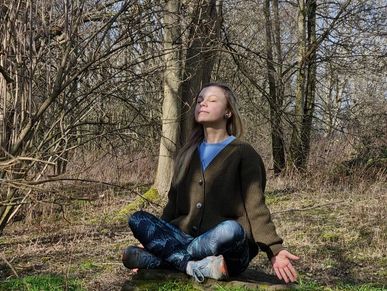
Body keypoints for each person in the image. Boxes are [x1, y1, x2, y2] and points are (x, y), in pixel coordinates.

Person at [122, 83, 299, 283]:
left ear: (228, 112)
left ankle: (169, 258)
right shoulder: (186, 154)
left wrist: (275, 250)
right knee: (137, 218)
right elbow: (172, 207)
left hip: (228, 248)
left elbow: (255, 206)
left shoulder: (243, 153)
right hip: (186, 238)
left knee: (230, 230)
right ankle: (193, 266)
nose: (203, 104)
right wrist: (155, 239)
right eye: (199, 100)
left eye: (212, 100)